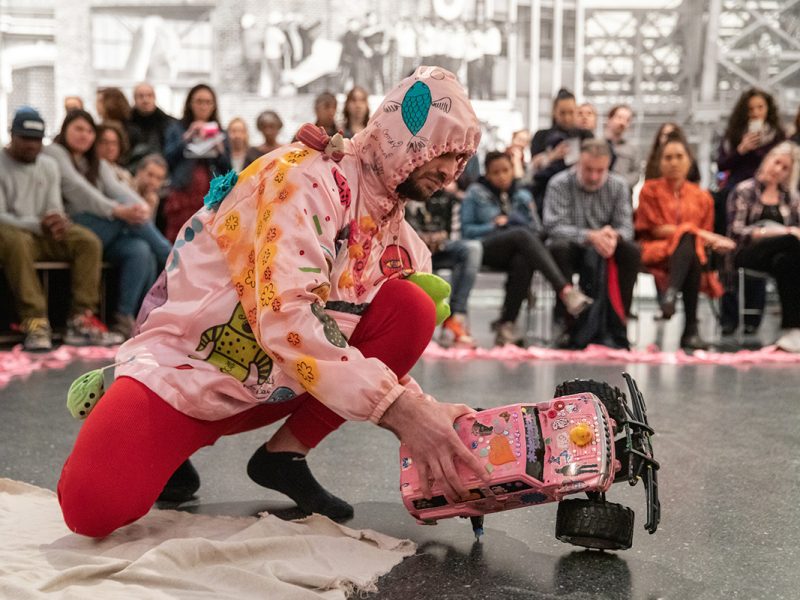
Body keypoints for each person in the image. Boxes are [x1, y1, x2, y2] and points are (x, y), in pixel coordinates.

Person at [57, 66, 490, 539]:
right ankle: (137, 400)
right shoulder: (303, 179)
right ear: (407, 139)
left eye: (462, 159)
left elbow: (354, 339)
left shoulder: (400, 235)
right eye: (444, 153)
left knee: (412, 306)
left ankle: (282, 456)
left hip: (278, 383)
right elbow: (288, 318)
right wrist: (403, 412)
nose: (451, 172)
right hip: (193, 368)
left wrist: (430, 419)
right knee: (90, 511)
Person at [44, 110, 172, 340]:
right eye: (78, 129)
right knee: (138, 229)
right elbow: (80, 192)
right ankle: (174, 258)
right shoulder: (55, 152)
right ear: (65, 130)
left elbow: (119, 191)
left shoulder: (95, 163)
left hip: (101, 231)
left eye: (89, 130)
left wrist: (139, 208)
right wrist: (118, 211)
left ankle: (127, 321)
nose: (84, 135)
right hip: (71, 227)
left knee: (140, 250)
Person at [0, 107, 111, 351]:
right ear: (12, 136)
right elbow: (1, 216)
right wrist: (37, 224)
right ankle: (35, 320)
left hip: (41, 233)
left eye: (37, 140)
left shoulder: (49, 165)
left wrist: (58, 220)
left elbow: (54, 207)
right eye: (25, 139)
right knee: (12, 238)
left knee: (87, 240)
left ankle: (81, 318)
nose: (31, 145)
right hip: (12, 235)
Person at [462, 151, 591, 346]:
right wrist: (496, 225)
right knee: (520, 235)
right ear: (487, 174)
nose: (502, 176)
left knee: (523, 258)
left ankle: (507, 324)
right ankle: (565, 290)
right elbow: (467, 231)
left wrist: (521, 222)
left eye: (506, 170)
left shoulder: (522, 194)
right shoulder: (475, 193)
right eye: (496, 172)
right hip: (486, 247)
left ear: (513, 171)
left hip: (518, 250)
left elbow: (538, 230)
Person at [636, 133, 735, 350]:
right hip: (655, 248)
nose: (674, 162)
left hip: (691, 253)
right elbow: (654, 228)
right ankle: (691, 330)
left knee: (691, 246)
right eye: (668, 157)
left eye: (679, 156)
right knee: (690, 243)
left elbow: (701, 236)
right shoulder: (649, 189)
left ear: (689, 161)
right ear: (660, 162)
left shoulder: (702, 197)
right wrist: (699, 234)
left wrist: (698, 235)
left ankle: (670, 296)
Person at [544, 139, 641, 349]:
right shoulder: (559, 183)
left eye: (600, 170)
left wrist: (611, 236)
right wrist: (590, 236)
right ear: (579, 162)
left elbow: (626, 228)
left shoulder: (618, 185)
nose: (594, 176)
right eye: (589, 169)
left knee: (631, 251)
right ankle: (565, 322)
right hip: (572, 247)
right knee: (557, 247)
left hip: (606, 248)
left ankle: (618, 321)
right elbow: (553, 226)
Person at [727, 142, 800, 352]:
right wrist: (779, 232)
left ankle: (793, 328)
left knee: (786, 261)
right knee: (790, 241)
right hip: (748, 252)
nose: (778, 170)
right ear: (768, 160)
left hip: (779, 257)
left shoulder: (791, 198)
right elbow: (737, 232)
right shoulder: (744, 190)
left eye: (785, 168)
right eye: (777, 163)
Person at [405, 184, 482, 348]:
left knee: (472, 249)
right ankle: (411, 327)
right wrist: (418, 238)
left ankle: (456, 318)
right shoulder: (406, 189)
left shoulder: (449, 198)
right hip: (409, 248)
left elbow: (457, 233)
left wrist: (441, 239)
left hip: (442, 249)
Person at [163, 84, 231, 242]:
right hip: (183, 192)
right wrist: (186, 137)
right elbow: (167, 159)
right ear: (190, 103)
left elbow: (228, 168)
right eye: (199, 101)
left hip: (212, 195)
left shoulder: (221, 131)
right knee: (180, 241)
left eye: (208, 102)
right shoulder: (176, 128)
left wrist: (219, 147)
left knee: (209, 243)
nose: (203, 106)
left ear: (214, 105)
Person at [716, 88, 785, 233]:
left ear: (768, 108)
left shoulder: (778, 136)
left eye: (760, 107)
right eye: (750, 109)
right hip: (737, 187)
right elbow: (721, 165)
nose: (756, 113)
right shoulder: (732, 135)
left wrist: (758, 150)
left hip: (769, 189)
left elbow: (783, 163)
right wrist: (741, 150)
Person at [529, 89, 593, 215]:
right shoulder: (541, 136)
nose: (567, 117)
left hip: (579, 195)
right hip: (545, 193)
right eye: (562, 113)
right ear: (554, 112)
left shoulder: (586, 135)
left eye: (571, 112)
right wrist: (552, 156)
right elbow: (533, 167)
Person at [126, 82, 176, 167]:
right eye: (141, 96)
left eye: (149, 95)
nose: (145, 100)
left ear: (154, 98)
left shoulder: (169, 123)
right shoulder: (126, 123)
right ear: (134, 99)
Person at [604, 105, 640, 191]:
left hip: (624, 195)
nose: (622, 123)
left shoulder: (633, 149)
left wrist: (620, 184)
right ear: (609, 119)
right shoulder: (597, 145)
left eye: (627, 120)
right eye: (619, 117)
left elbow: (636, 173)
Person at [96, 121, 134, 188]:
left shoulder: (125, 175)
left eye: (114, 143)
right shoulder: (89, 169)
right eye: (105, 142)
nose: (110, 147)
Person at [132, 153, 168, 218]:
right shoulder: (126, 186)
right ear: (139, 171)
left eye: (159, 178)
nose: (153, 182)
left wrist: (150, 207)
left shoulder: (153, 199)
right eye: (150, 175)